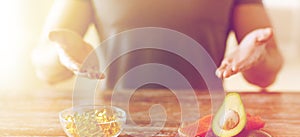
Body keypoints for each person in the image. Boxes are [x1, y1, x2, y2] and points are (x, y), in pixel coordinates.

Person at [32, 0, 283, 90]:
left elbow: (265, 76)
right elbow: (45, 69)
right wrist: (63, 53)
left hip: (207, 127)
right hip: (114, 126)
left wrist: (257, 55)